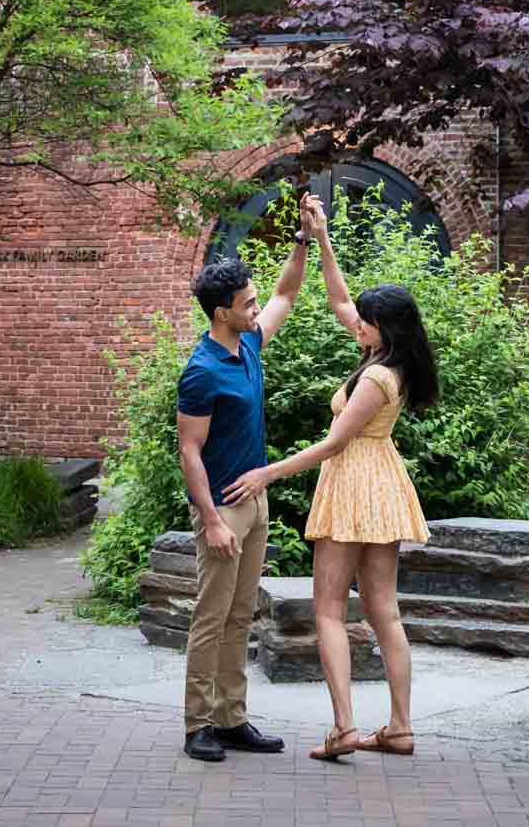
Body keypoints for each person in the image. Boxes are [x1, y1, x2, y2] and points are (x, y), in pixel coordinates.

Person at [224, 193, 439, 762]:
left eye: (365, 322)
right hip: (383, 484)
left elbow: (334, 444)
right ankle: (398, 727)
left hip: (353, 483)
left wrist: (267, 472)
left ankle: (345, 727)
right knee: (383, 609)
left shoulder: (376, 377)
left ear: (381, 329)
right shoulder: (390, 356)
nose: (355, 324)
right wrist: (319, 237)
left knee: (327, 610)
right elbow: (340, 298)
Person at [175, 203, 313, 764]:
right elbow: (189, 450)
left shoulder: (249, 342)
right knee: (211, 618)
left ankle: (231, 719)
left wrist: (304, 240)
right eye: (246, 304)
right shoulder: (202, 370)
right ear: (220, 313)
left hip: (255, 503)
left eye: (253, 300)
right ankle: (196, 725)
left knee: (240, 615)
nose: (257, 307)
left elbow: (284, 296)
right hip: (222, 510)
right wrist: (210, 520)